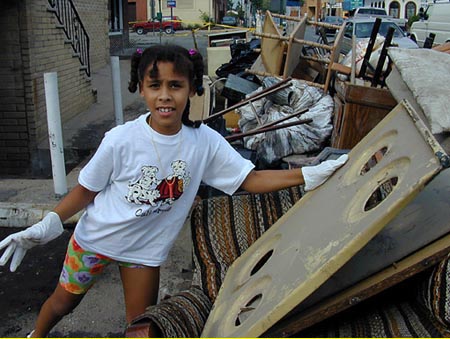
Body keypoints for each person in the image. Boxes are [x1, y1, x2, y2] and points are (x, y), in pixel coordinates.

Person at [0, 44, 348, 337]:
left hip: (144, 253)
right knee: (63, 303)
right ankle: (36, 335)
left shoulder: (205, 142)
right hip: (94, 240)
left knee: (141, 327)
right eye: (155, 85)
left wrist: (307, 175)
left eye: (175, 85)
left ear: (193, 88)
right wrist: (50, 221)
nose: (165, 95)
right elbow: (86, 191)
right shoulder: (121, 140)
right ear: (141, 88)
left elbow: (249, 179)